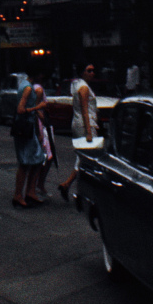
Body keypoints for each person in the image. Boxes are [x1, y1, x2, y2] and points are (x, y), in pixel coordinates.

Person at [11, 72, 54, 208]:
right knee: (26, 162)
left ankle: (30, 192)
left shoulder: (24, 84)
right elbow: (21, 109)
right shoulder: (29, 88)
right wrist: (38, 107)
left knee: (37, 159)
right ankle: (19, 195)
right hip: (25, 128)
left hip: (27, 128)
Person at [57, 64, 98, 203]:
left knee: (83, 157)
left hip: (77, 123)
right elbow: (85, 110)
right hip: (86, 124)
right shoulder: (84, 88)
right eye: (89, 70)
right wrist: (89, 132)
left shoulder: (76, 85)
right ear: (82, 72)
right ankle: (70, 185)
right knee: (87, 157)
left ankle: (71, 186)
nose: (92, 73)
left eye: (93, 70)